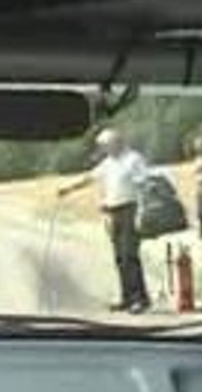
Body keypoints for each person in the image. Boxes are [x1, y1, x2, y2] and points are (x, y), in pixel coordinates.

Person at [58, 128, 151, 314]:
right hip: (113, 212)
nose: (104, 149)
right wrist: (68, 189)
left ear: (116, 143)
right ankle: (127, 298)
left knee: (129, 255)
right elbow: (89, 178)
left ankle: (140, 299)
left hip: (130, 209)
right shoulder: (109, 163)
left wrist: (142, 212)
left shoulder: (134, 160)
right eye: (103, 146)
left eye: (106, 145)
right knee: (119, 257)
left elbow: (143, 186)